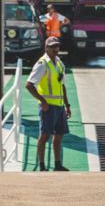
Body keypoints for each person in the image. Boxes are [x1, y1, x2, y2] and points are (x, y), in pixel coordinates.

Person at [24, 37, 71, 172]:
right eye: (52, 47)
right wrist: (43, 101)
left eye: (56, 46)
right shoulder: (42, 64)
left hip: (59, 106)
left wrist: (67, 105)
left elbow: (62, 86)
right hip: (48, 107)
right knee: (44, 135)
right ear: (46, 48)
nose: (55, 49)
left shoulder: (60, 63)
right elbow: (29, 85)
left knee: (59, 135)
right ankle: (42, 166)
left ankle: (57, 164)